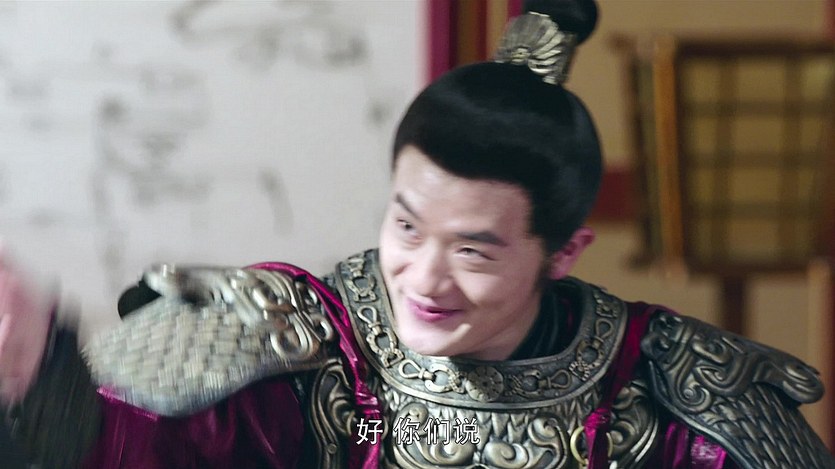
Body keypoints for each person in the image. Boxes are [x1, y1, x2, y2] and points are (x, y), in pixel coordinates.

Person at [1, 1, 833, 468]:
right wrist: (40, 384)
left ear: (563, 252)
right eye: (406, 225)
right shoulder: (315, 342)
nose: (422, 277)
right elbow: (145, 445)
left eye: (472, 249)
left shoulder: (675, 392)